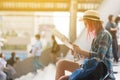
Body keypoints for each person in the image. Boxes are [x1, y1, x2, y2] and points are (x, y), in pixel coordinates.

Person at [55, 10, 115, 80]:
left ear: (93, 22)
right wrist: (78, 53)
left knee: (63, 79)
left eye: (86, 23)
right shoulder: (96, 37)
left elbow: (99, 57)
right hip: (91, 68)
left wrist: (81, 51)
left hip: (102, 73)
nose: (85, 26)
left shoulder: (105, 35)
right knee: (61, 63)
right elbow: (92, 59)